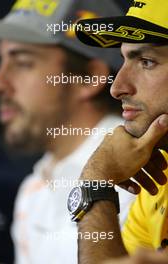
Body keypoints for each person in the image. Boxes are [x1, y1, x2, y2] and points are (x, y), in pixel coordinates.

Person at [0, 0, 135, 263]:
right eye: (1, 62)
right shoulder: (33, 191)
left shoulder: (145, 180)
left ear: (90, 77)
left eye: (22, 62)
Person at [67, 0, 168, 263]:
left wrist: (96, 182)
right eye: (124, 59)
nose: (117, 87)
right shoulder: (160, 182)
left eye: (146, 61)